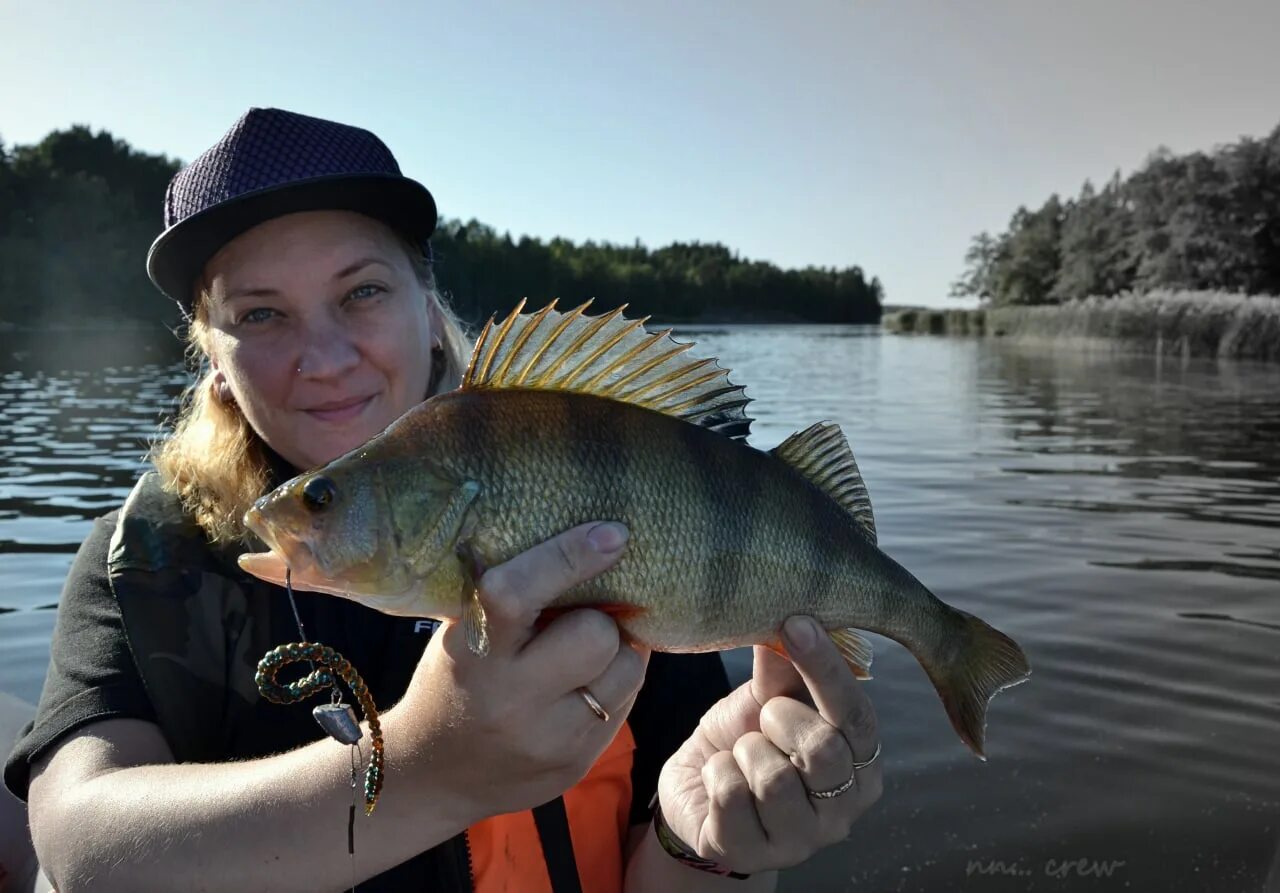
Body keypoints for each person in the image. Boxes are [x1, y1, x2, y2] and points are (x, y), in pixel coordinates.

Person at [2, 108, 882, 892]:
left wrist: (713, 844)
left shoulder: (598, 507)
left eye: (362, 292)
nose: (326, 354)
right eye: (261, 315)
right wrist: (427, 769)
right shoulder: (145, 559)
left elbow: (672, 863)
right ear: (215, 360)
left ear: (429, 311)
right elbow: (81, 847)